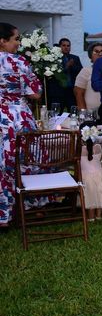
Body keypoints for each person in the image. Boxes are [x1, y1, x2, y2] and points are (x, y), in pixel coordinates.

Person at [0, 23, 44, 230]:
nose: (19, 43)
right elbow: (35, 94)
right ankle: (27, 207)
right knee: (25, 161)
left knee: (2, 166)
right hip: (16, 118)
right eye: (16, 39)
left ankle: (3, 216)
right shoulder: (18, 62)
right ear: (2, 41)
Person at [80, 132, 102, 221]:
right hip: (100, 175)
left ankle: (90, 217)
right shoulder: (98, 147)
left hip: (87, 176)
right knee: (100, 194)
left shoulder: (80, 150)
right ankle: (98, 215)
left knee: (90, 196)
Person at [74, 42, 102, 115]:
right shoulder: (85, 71)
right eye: (96, 52)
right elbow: (78, 94)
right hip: (90, 114)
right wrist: (83, 115)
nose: (100, 54)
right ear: (90, 55)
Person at [59, 38, 83, 110]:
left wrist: (72, 66)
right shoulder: (55, 58)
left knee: (73, 113)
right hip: (59, 91)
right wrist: (67, 66)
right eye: (64, 45)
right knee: (57, 114)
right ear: (60, 47)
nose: (66, 47)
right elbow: (56, 74)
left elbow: (80, 72)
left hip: (71, 91)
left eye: (68, 46)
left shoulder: (75, 58)